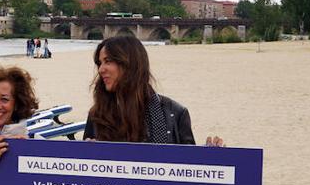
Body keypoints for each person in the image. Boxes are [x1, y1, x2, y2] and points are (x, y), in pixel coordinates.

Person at [83, 34, 223, 146]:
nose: (101, 69)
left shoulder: (176, 113)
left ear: (130, 65)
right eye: (100, 63)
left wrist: (210, 156)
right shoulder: (97, 115)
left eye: (108, 61)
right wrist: (85, 154)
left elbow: (188, 170)